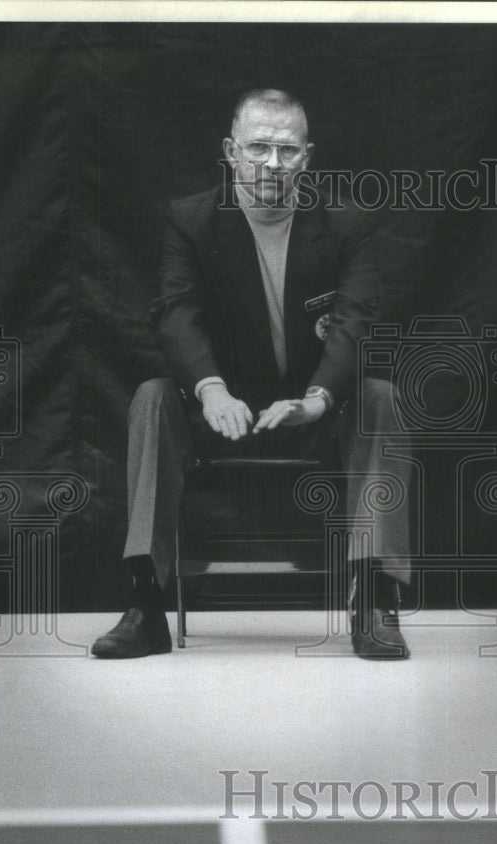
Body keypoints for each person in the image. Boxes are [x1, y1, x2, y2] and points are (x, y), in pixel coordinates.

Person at [92, 88, 411, 660]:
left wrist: (316, 400)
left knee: (380, 399)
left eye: (287, 150)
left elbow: (355, 322)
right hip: (224, 408)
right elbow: (175, 311)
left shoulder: (347, 223)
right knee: (152, 397)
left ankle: (376, 600)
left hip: (316, 407)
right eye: (257, 147)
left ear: (307, 157)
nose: (272, 163)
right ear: (230, 151)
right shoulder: (191, 220)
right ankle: (145, 602)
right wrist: (211, 389)